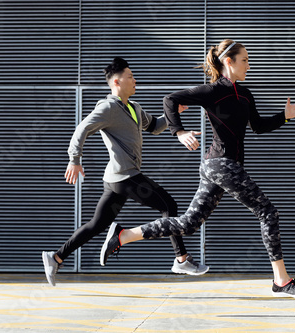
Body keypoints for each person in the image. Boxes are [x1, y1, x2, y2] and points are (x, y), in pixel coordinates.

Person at [99, 40, 295, 299]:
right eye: (244, 59)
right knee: (267, 211)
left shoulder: (245, 95)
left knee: (189, 223)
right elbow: (170, 99)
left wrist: (285, 116)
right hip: (220, 164)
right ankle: (281, 280)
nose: (249, 65)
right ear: (228, 61)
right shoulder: (214, 91)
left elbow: (257, 126)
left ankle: (123, 235)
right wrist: (178, 131)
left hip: (220, 166)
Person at [42, 57, 209, 286]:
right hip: (126, 175)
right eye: (130, 76)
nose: (134, 80)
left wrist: (173, 113)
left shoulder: (134, 107)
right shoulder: (108, 107)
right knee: (168, 205)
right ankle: (181, 259)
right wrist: (74, 160)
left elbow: (154, 127)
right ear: (117, 82)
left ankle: (56, 257)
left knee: (97, 224)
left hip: (115, 180)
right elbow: (82, 129)